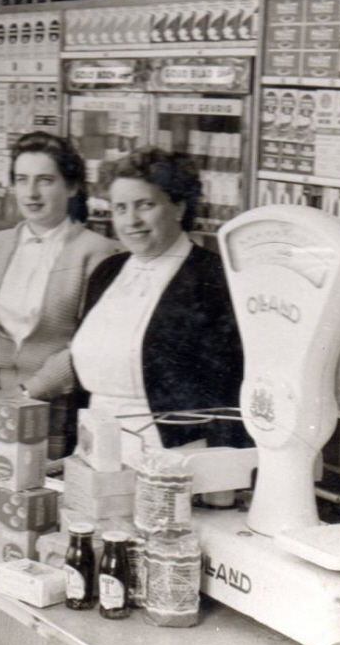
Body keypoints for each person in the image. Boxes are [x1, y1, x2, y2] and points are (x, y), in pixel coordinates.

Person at [70, 147, 249, 457]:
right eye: (120, 208)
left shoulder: (213, 279)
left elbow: (229, 392)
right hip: (93, 446)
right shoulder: (107, 271)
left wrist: (221, 479)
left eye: (145, 205)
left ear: (178, 206)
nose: (131, 220)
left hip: (173, 456)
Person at [0, 132, 119, 456]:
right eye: (22, 180)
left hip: (55, 411)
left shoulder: (98, 253)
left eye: (45, 180)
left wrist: (23, 394)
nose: (31, 193)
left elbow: (86, 350)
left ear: (71, 187)